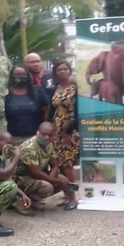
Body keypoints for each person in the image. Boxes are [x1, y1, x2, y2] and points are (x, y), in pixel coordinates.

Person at [10, 122, 77, 215]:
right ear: (37, 132)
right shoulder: (29, 148)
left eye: (50, 135)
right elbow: (35, 173)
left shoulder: (48, 144)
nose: (46, 137)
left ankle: (32, 201)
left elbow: (55, 164)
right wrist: (54, 181)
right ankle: (19, 202)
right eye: (43, 134)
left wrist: (53, 179)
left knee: (63, 180)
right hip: (21, 178)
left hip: (36, 176)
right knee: (47, 187)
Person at [50, 60, 80, 210]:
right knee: (60, 164)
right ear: (55, 73)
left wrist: (68, 132)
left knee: (68, 165)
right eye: (59, 69)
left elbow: (80, 112)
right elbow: (53, 110)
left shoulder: (76, 89)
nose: (62, 71)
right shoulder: (55, 89)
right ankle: (67, 196)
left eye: (65, 69)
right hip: (57, 132)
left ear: (70, 71)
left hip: (70, 131)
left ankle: (73, 198)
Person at [4, 66, 50, 145]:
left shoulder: (37, 91)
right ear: (12, 76)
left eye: (23, 74)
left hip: (35, 137)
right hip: (13, 138)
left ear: (28, 75)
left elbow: (46, 109)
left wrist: (43, 127)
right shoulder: (6, 93)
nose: (21, 77)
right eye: (17, 75)